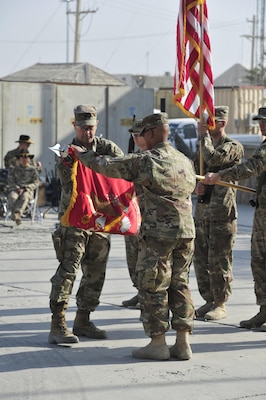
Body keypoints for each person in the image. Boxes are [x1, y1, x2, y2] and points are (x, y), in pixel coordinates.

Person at [71, 112, 196, 361]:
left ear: (150, 134)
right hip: (186, 233)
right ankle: (183, 343)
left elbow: (106, 166)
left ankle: (158, 342)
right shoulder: (183, 160)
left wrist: (81, 154)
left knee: (153, 286)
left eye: (142, 134)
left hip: (159, 234)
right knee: (180, 284)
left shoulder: (147, 160)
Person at [48, 104, 124, 345]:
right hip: (74, 220)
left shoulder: (107, 148)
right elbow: (67, 178)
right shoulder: (66, 152)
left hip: (100, 220)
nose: (87, 133)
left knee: (96, 271)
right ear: (75, 126)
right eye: (82, 128)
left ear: (97, 126)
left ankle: (83, 319)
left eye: (91, 128)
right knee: (68, 270)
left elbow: (123, 169)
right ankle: (58, 324)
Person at [203, 106, 266, 331]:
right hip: (261, 213)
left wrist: (221, 175)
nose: (261, 124)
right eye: (259, 120)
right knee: (259, 262)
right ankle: (264, 309)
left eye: (264, 120)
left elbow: (252, 166)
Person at [193, 106, 244, 320]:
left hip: (222, 212)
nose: (206, 124)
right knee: (201, 259)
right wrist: (195, 187)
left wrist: (203, 136)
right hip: (203, 211)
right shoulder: (203, 146)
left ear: (222, 123)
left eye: (211, 121)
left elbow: (214, 159)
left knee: (219, 259)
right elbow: (197, 170)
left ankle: (220, 303)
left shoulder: (233, 147)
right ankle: (209, 299)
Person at [122, 119, 146, 309]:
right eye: (133, 135)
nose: (136, 138)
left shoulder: (153, 157)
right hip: (132, 214)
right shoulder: (133, 157)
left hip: (149, 216)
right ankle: (139, 291)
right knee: (133, 256)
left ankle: (148, 295)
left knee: (147, 258)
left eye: (139, 134)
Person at [7, 150, 40, 225]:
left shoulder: (33, 170)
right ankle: (16, 215)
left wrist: (25, 188)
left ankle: (17, 214)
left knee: (24, 197)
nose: (24, 159)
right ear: (19, 159)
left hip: (27, 190)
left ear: (29, 159)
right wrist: (17, 187)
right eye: (22, 158)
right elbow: (10, 181)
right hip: (16, 189)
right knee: (12, 197)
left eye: (26, 158)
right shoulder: (14, 169)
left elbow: (36, 182)